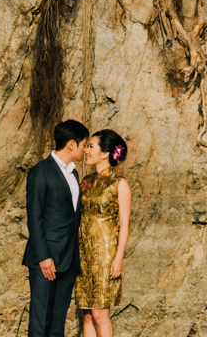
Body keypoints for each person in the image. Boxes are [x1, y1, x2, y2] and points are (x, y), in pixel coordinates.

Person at [23, 119, 89, 337]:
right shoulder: (40, 172)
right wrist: (43, 257)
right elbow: (34, 218)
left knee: (57, 325)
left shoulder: (74, 175)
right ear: (71, 144)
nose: (85, 149)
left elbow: (72, 216)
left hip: (68, 259)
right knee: (39, 323)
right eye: (83, 144)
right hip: (46, 260)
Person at [74, 129, 131, 337]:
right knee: (87, 315)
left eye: (91, 146)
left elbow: (124, 223)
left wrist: (118, 258)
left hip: (105, 254)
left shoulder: (119, 183)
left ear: (105, 153)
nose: (86, 151)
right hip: (84, 254)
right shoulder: (86, 181)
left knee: (100, 315)